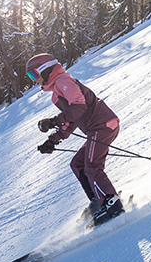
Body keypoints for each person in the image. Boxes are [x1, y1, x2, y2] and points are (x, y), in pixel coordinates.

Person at [26, 53, 125, 225]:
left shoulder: (63, 82)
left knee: (92, 166)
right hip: (97, 128)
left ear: (46, 69)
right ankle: (98, 201)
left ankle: (112, 203)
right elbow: (71, 119)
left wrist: (53, 121)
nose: (34, 80)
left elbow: (79, 107)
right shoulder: (57, 91)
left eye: (34, 74)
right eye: (30, 76)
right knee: (77, 163)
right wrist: (53, 140)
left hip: (102, 125)